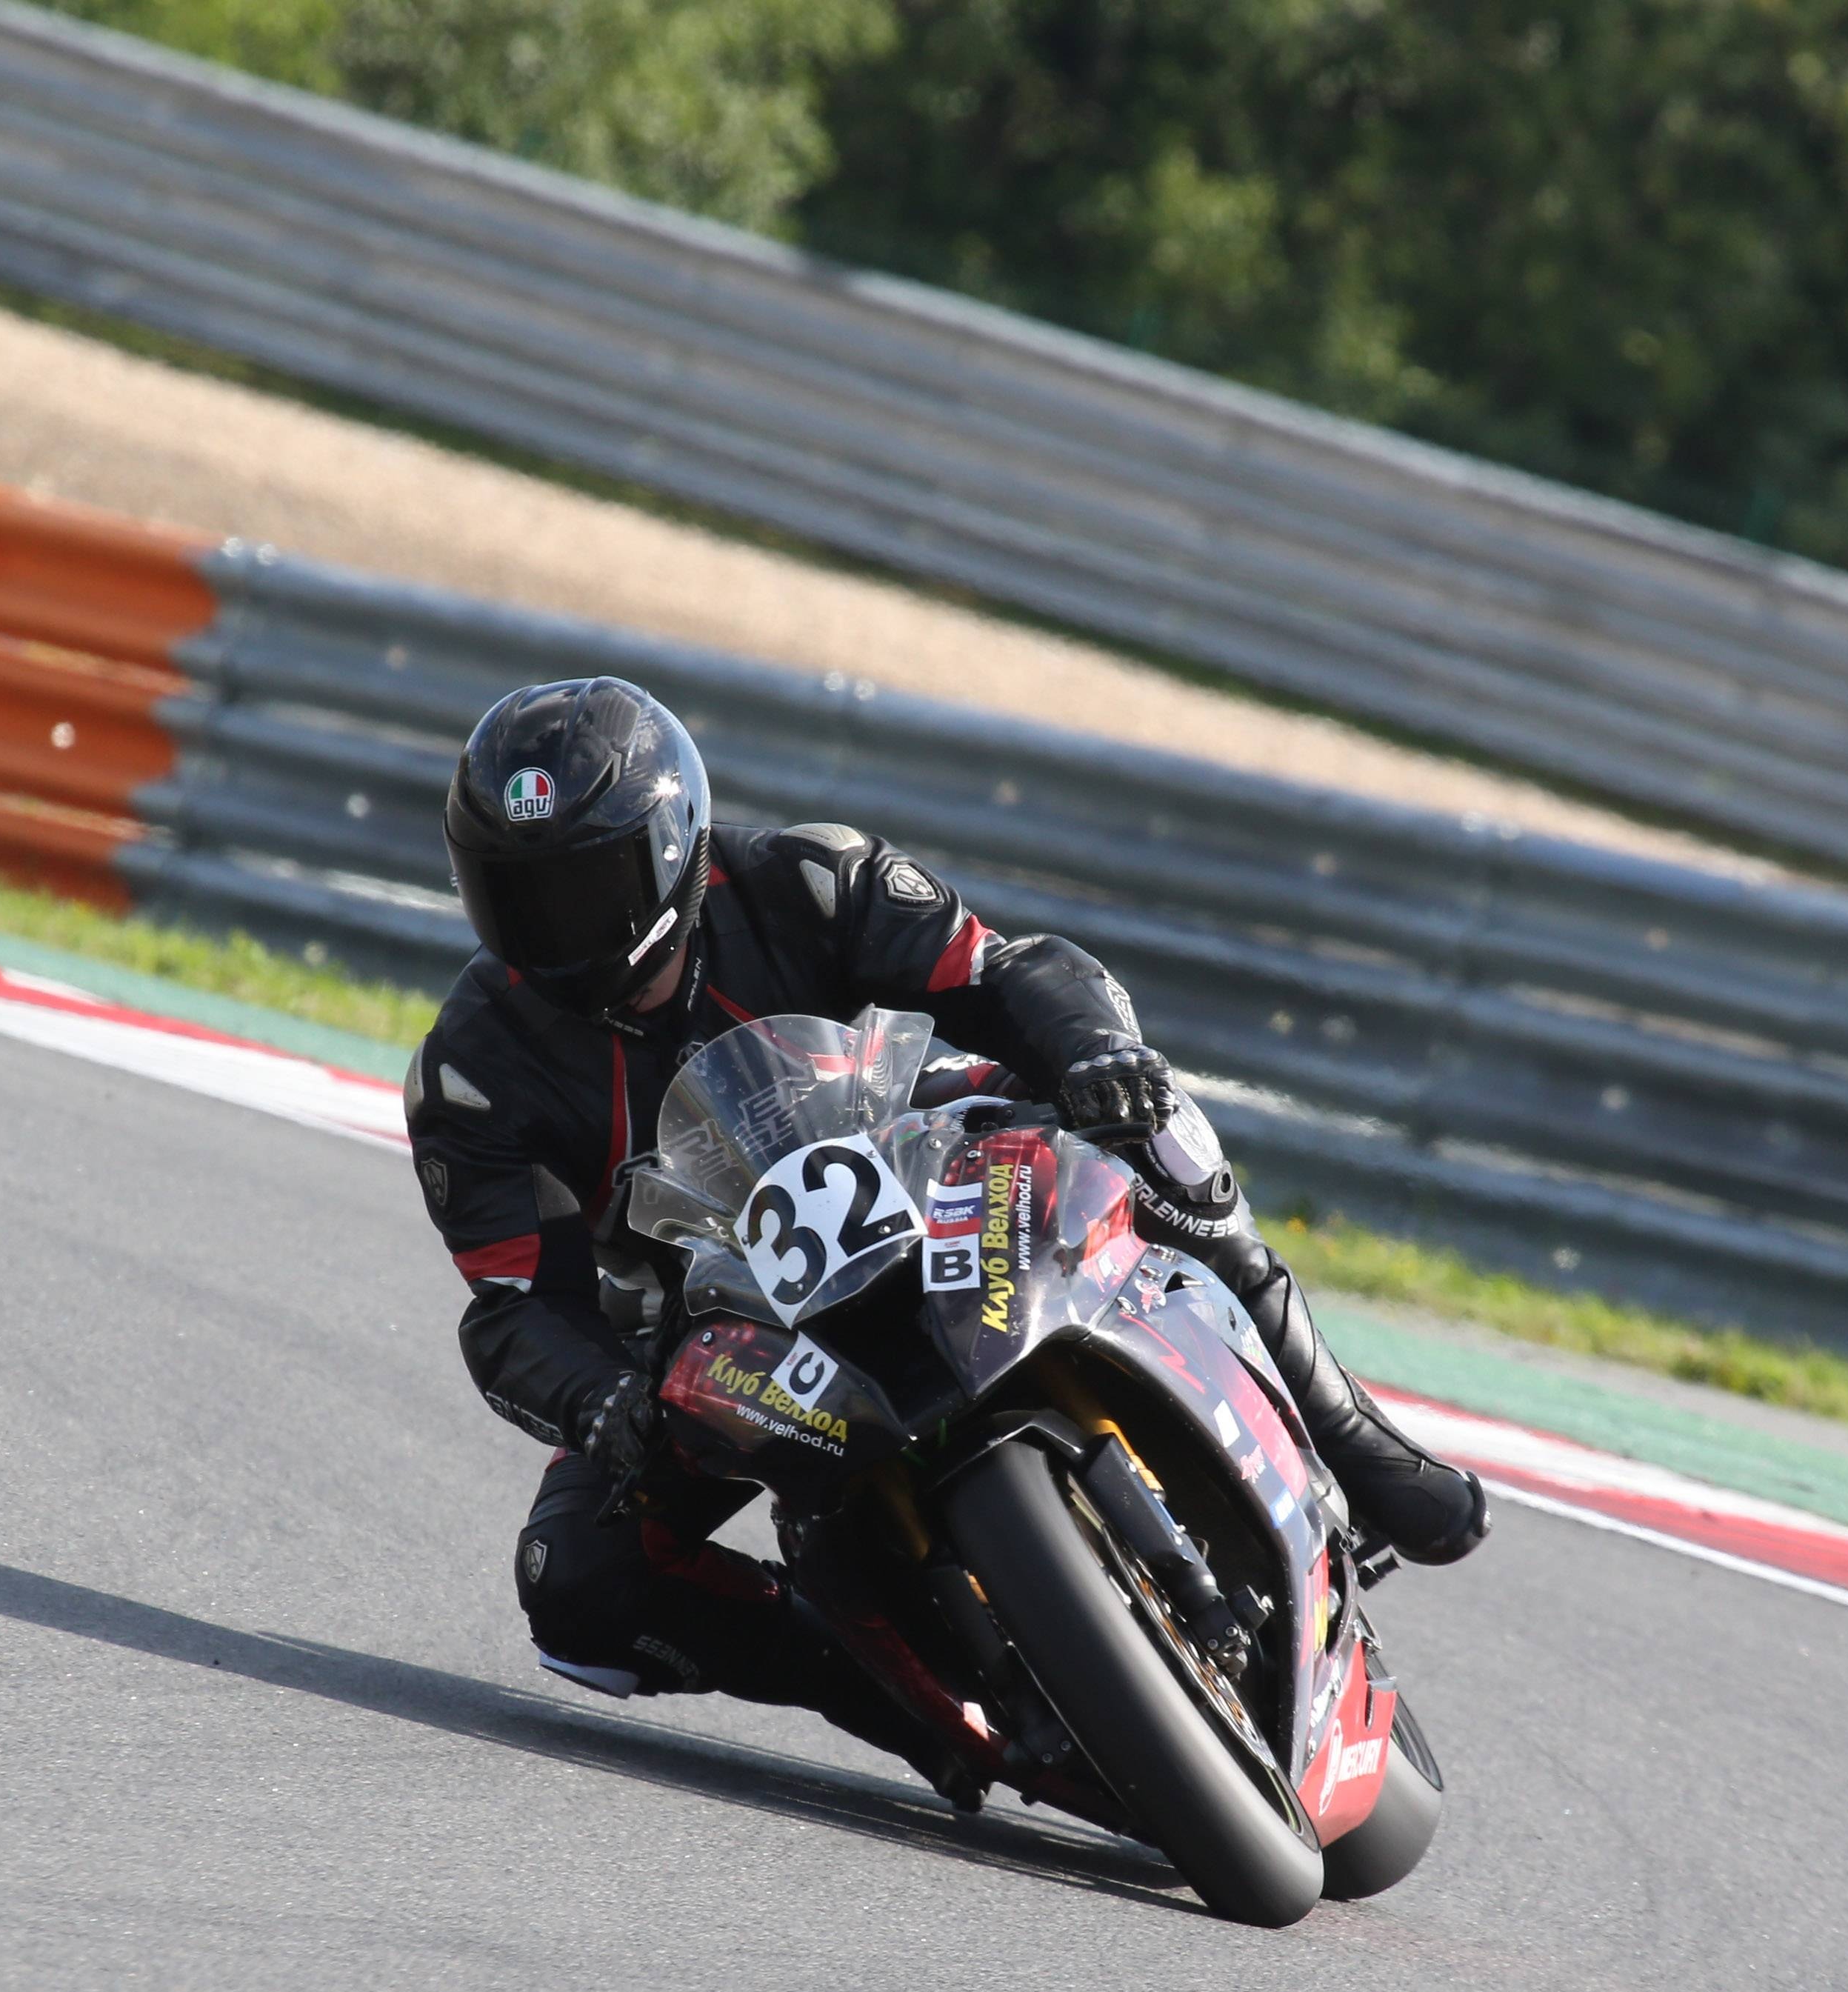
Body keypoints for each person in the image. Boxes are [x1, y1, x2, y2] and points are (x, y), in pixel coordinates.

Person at [402, 676, 1484, 1790]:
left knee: (1160, 1129)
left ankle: (1346, 1435)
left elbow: (1009, 973)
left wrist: (1095, 1052)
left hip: (941, 1164)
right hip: (722, 1333)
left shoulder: (806, 881)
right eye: (515, 896)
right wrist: (598, 1397)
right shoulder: (471, 1073)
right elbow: (516, 1308)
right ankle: (879, 1687)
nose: (554, 930)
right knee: (574, 1584)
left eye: (583, 889)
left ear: (672, 845)